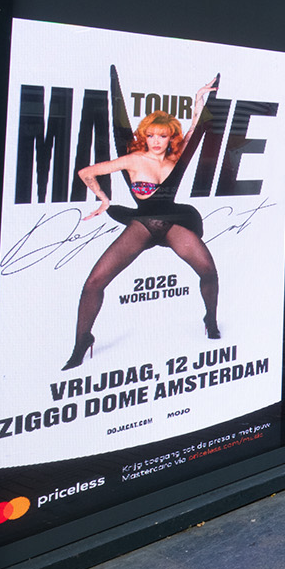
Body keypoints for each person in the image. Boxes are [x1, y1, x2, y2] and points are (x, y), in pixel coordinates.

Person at [66, 77, 222, 370]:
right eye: (151, 135)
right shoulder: (134, 159)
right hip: (143, 225)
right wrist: (104, 200)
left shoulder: (175, 158)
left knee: (209, 272)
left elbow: (195, 130)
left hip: (174, 222)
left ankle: (210, 320)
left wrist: (199, 99)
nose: (156, 141)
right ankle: (82, 341)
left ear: (170, 137)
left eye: (162, 136)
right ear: (144, 137)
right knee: (94, 283)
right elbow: (87, 172)